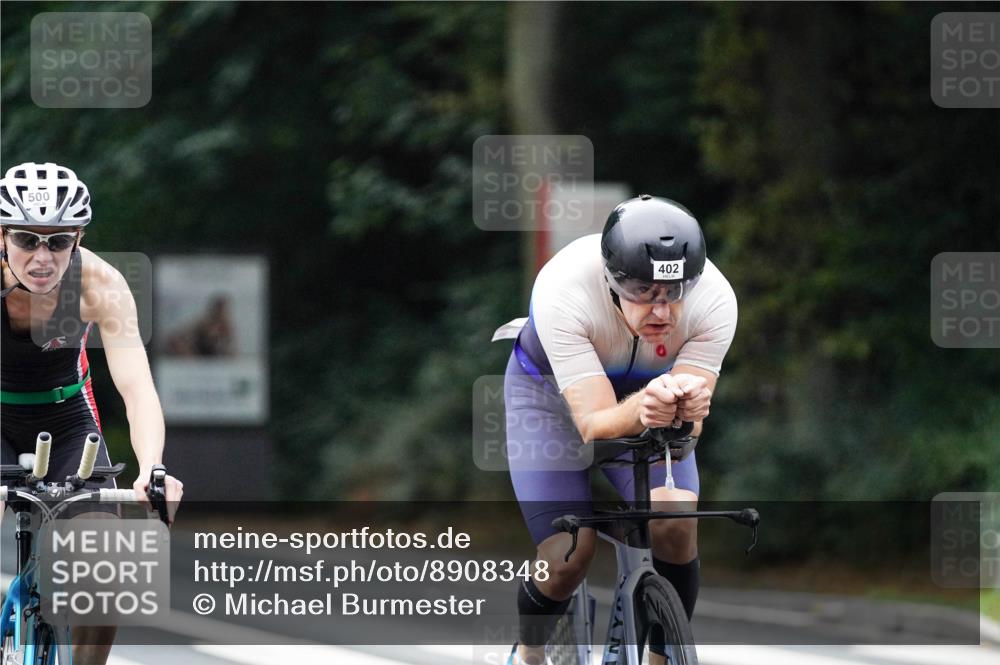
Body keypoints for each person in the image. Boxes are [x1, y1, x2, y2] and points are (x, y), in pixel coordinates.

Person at [494, 195, 737, 665]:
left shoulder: (716, 299)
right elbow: (595, 424)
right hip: (549, 396)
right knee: (569, 552)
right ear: (611, 282)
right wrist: (651, 403)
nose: (661, 312)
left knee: (676, 522)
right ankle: (528, 652)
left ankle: (662, 658)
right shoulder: (564, 287)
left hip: (648, 394)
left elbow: (688, 431)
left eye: (673, 294)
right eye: (644, 293)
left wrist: (690, 409)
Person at [0, 162, 184, 665]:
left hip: (64, 423)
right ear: (2, 235)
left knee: (105, 575)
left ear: (79, 237)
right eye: (26, 239)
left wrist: (153, 468)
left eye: (59, 241)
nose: (42, 256)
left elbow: (137, 387)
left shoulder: (100, 283)